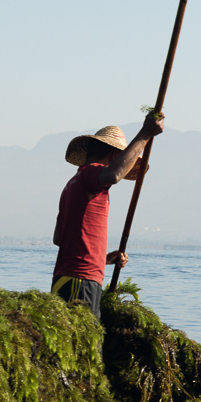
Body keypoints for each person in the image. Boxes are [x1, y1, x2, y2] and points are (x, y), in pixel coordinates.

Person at [52, 111, 164, 319]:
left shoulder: (72, 184)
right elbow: (113, 175)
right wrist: (145, 134)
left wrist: (101, 259)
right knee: (86, 347)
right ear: (114, 156)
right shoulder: (91, 172)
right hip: (80, 281)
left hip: (67, 278)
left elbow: (60, 239)